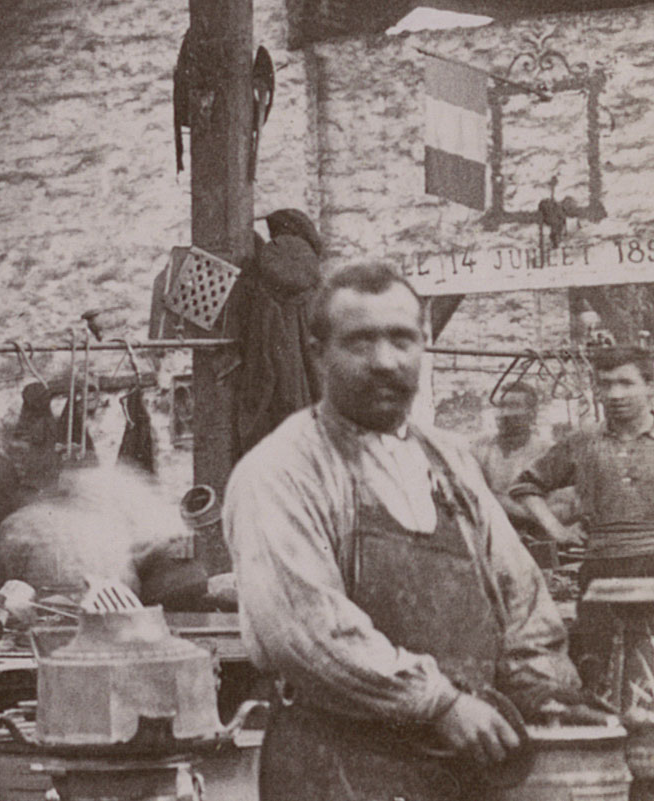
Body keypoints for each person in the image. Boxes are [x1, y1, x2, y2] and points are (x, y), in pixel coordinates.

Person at [223, 263, 591, 801]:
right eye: (359, 342)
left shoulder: (450, 461)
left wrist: (550, 698)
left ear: (424, 344)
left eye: (402, 339)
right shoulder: (282, 471)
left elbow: (522, 600)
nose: (384, 362)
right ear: (318, 352)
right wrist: (439, 701)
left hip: (458, 772)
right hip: (339, 771)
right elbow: (308, 632)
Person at [509, 348, 654, 587]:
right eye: (606, 384)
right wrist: (557, 530)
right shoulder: (582, 441)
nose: (615, 394)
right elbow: (526, 486)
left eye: (626, 383)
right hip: (601, 570)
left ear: (649, 387)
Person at [470, 382, 579, 543]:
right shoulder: (479, 448)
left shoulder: (548, 451)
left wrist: (496, 501)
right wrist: (535, 512)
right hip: (488, 539)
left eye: (515, 406)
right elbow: (469, 496)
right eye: (502, 406)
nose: (506, 413)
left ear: (532, 414)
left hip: (535, 541)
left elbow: (565, 508)